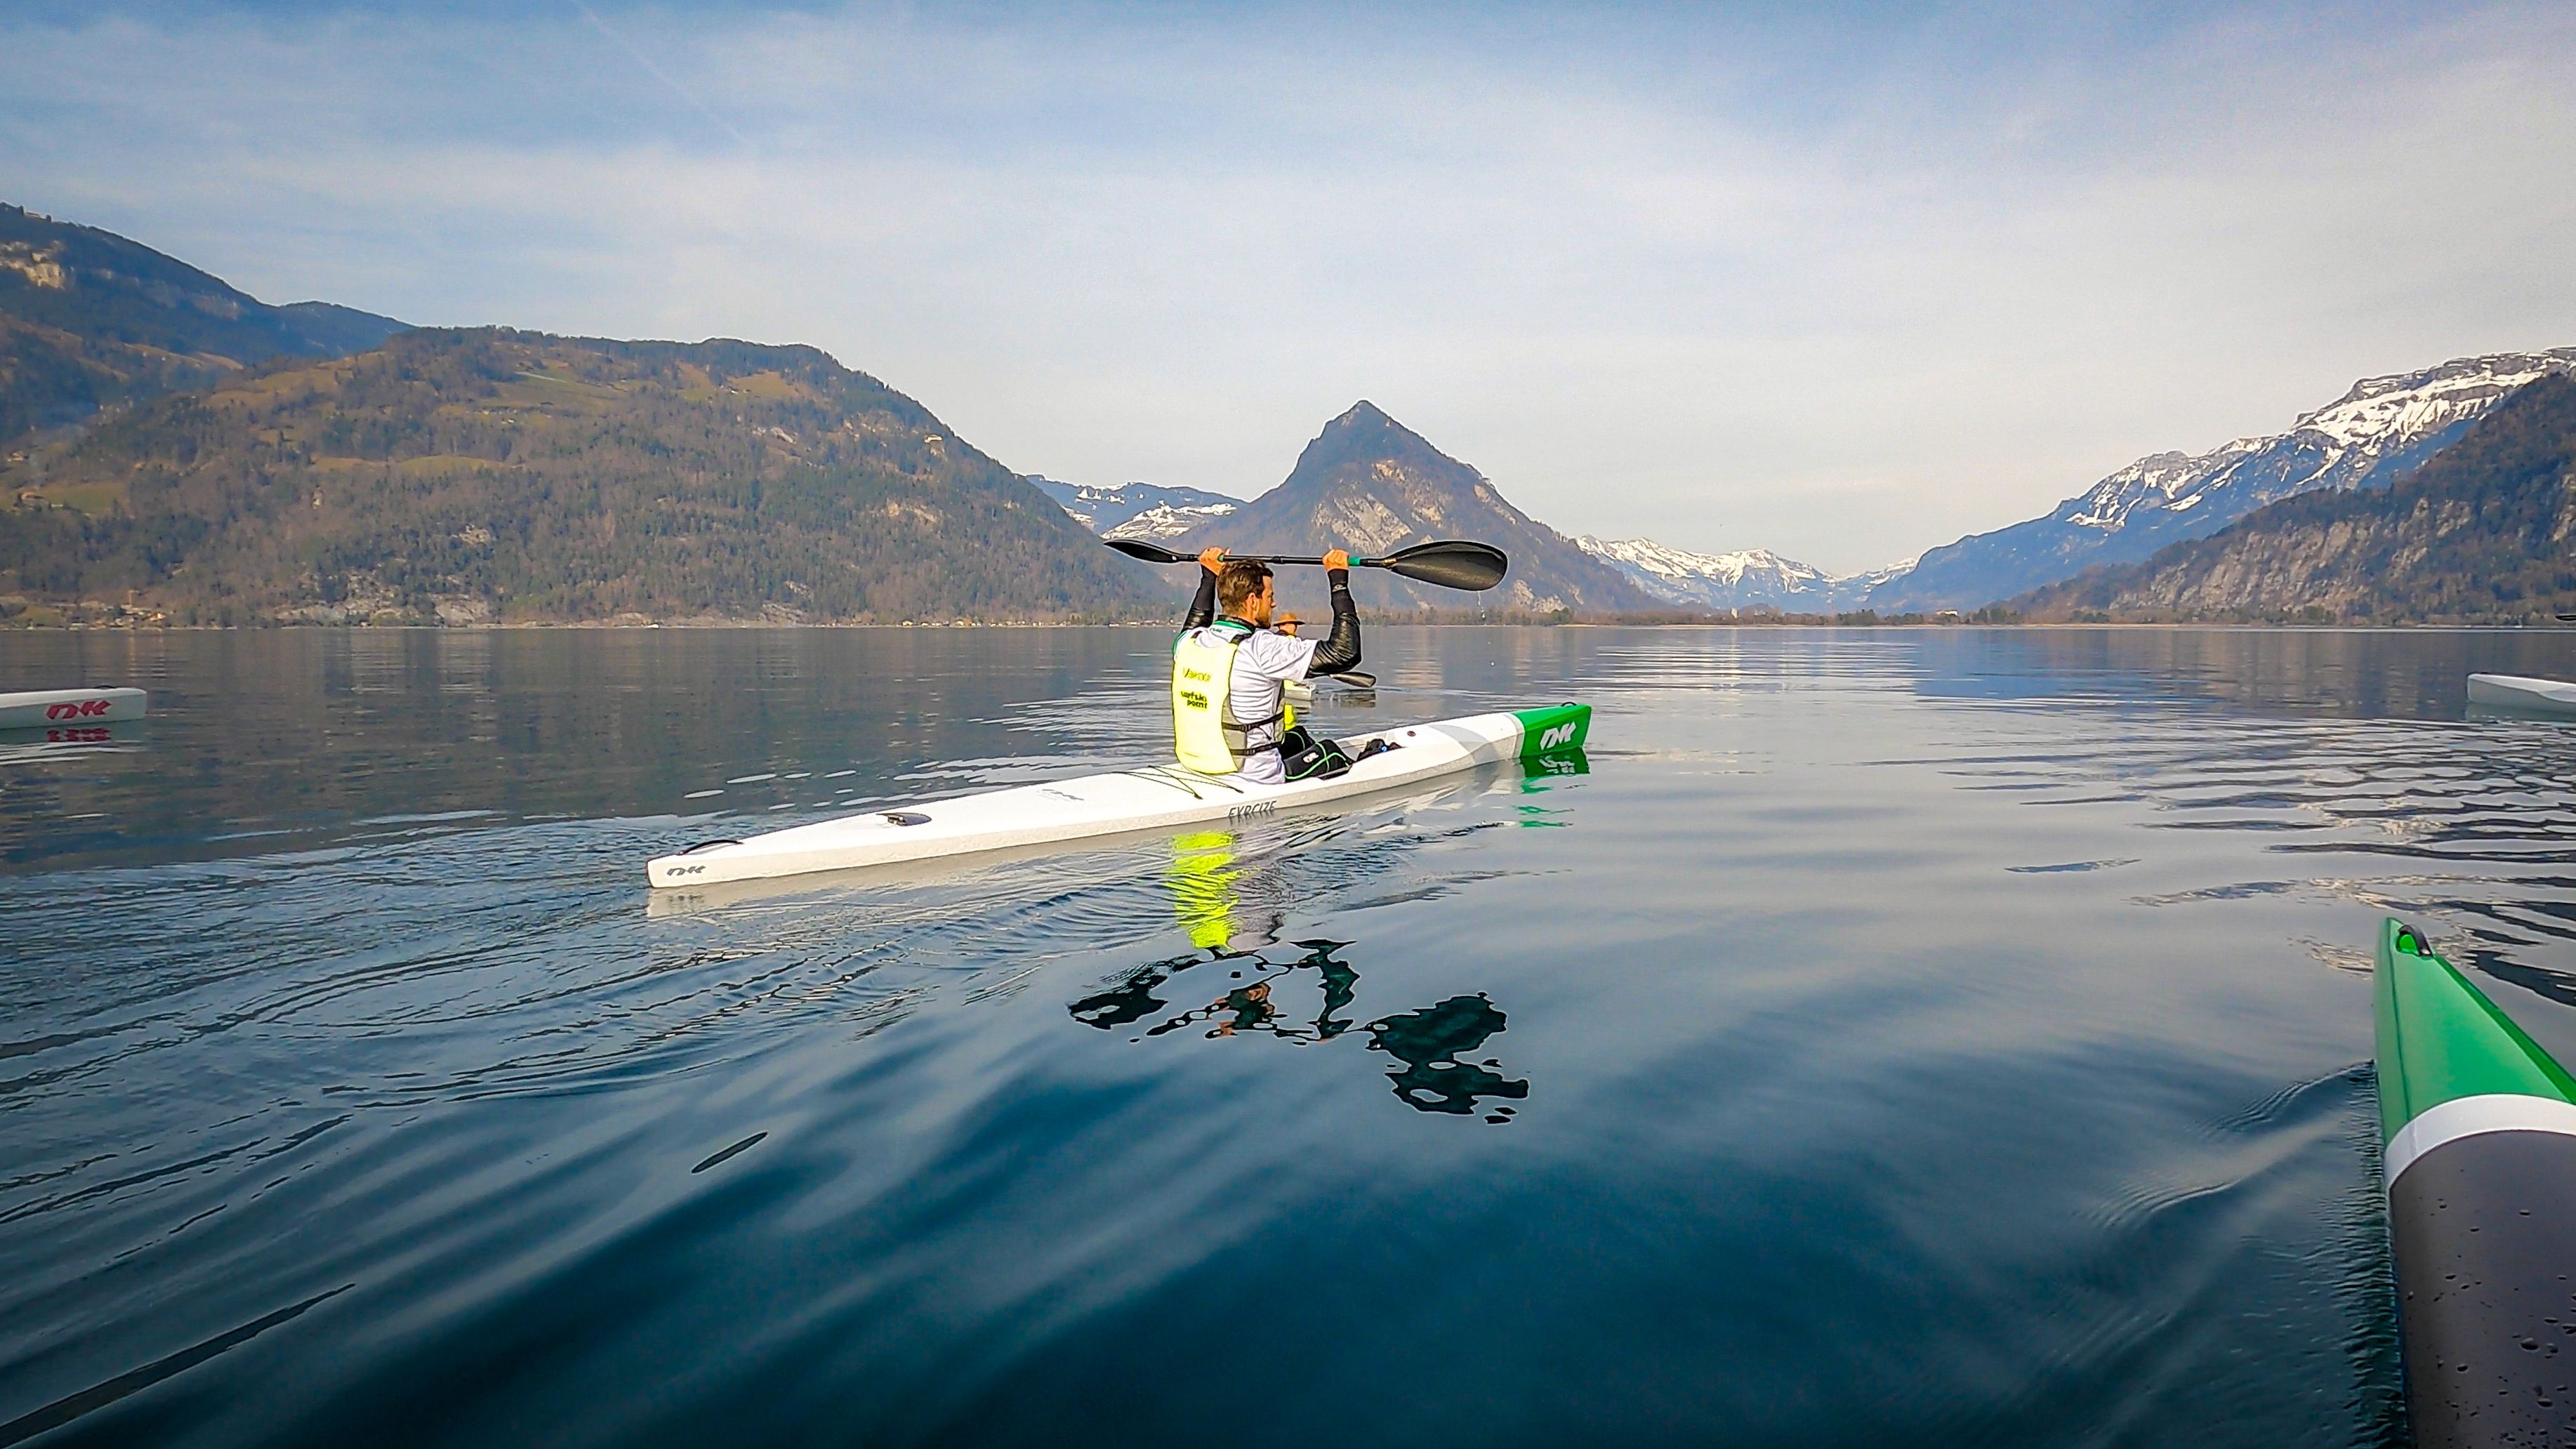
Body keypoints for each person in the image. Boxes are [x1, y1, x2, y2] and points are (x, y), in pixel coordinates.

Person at [1173, 545, 1368, 783]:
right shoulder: (1262, 647)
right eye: (1270, 597)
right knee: (1330, 751)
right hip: (1257, 776)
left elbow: (1197, 619)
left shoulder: (1189, 643)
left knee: (1297, 737)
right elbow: (1345, 653)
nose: (1273, 605)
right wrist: (1339, 581)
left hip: (1199, 765)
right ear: (1253, 601)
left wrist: (1209, 577)